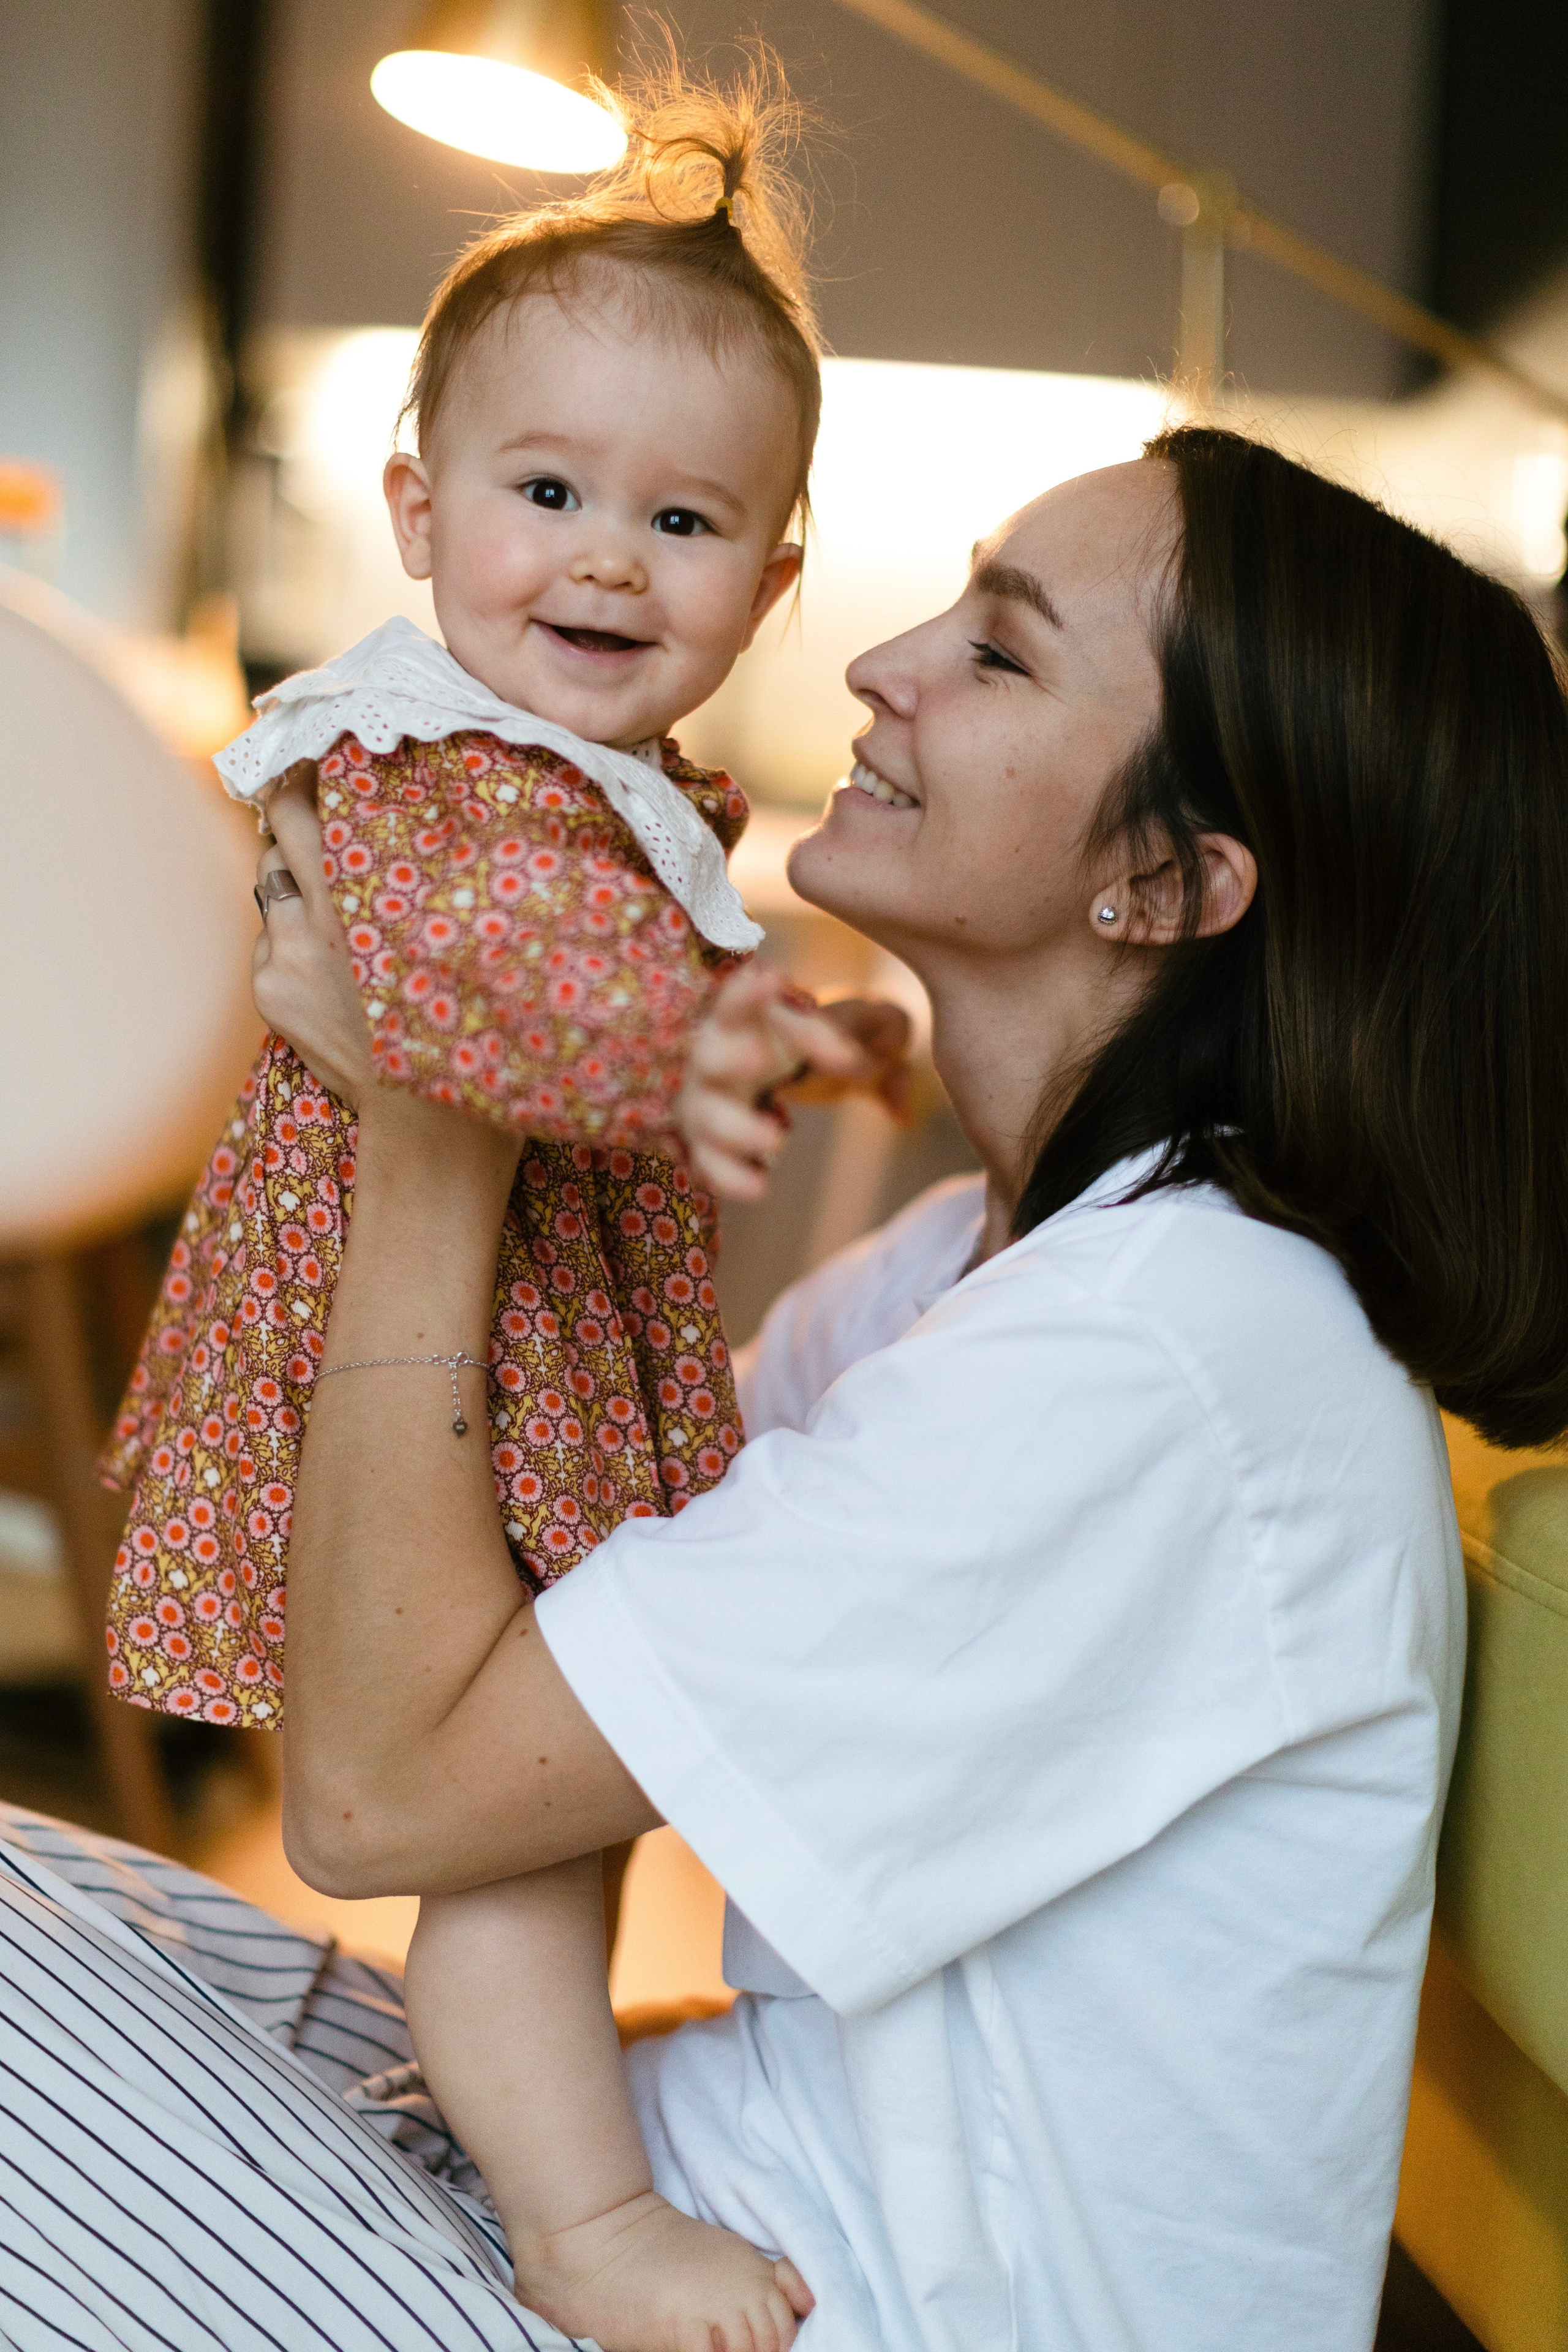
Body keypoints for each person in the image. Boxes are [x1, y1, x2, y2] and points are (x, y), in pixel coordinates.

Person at [4, 427, 1567, 2352]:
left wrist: (437, 1120)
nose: (878, 666)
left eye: (998, 653)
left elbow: (388, 1791)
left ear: (1168, 881)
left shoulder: (1168, 1356)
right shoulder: (996, 1272)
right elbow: (553, 1569)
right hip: (696, 2213)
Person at [93, 72, 892, 2352]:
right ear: (420, 510)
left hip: (527, 1345)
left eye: (686, 518)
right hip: (434, 1354)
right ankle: (578, 2228)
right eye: (548, 494)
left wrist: (792, 1029)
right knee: (521, 1811)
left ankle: (524, 2149)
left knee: (552, 1804)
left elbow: (615, 965)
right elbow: (479, 988)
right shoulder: (431, 760)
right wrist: (689, 1047)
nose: (611, 559)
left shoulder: (607, 778)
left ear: (782, 574)